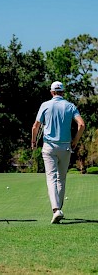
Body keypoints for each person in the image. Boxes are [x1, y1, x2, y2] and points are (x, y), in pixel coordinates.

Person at [31, 81, 85, 224]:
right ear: (63, 92)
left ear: (51, 92)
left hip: (49, 146)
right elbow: (81, 124)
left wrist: (33, 141)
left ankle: (56, 210)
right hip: (66, 147)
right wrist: (75, 140)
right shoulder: (70, 106)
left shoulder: (45, 105)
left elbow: (35, 126)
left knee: (51, 178)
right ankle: (59, 209)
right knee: (61, 179)